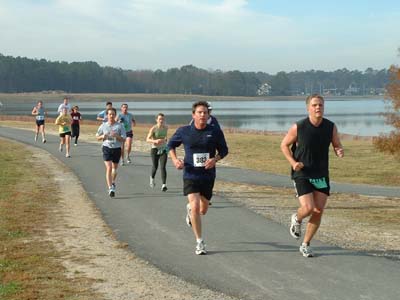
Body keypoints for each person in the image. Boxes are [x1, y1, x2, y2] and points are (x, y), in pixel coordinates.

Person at [280, 94, 344, 257]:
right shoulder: (299, 126)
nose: (318, 108)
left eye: (321, 105)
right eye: (315, 105)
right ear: (308, 108)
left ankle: (306, 244)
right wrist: (293, 163)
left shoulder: (330, 127)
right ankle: (297, 218)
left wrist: (339, 150)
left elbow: (337, 144)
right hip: (302, 173)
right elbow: (284, 145)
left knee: (318, 210)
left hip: (321, 173)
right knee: (308, 208)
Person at [168, 101, 228, 255]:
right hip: (190, 173)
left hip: (208, 175)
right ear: (193, 115)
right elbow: (170, 145)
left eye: (205, 113)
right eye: (199, 112)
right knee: (195, 206)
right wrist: (175, 160)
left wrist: (214, 159)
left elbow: (224, 150)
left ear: (209, 115)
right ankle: (199, 242)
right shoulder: (184, 131)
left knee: (203, 210)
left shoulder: (215, 131)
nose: (202, 115)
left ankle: (190, 210)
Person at [96, 108, 126, 197]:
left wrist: (117, 136)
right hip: (106, 148)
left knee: (114, 169)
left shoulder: (120, 126)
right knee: (109, 168)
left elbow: (124, 138)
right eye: (110, 114)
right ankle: (110, 188)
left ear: (115, 115)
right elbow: (97, 137)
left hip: (117, 149)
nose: (111, 116)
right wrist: (102, 136)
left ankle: (113, 182)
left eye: (113, 114)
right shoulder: (103, 125)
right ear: (107, 115)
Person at [146, 113, 168, 192]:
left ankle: (164, 185)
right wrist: (155, 140)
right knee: (155, 166)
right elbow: (147, 139)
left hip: (164, 149)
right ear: (156, 120)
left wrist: (165, 140)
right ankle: (152, 178)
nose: (161, 120)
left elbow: (165, 137)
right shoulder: (153, 128)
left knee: (163, 167)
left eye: (162, 119)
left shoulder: (166, 127)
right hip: (155, 149)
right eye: (160, 119)